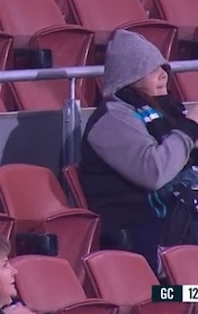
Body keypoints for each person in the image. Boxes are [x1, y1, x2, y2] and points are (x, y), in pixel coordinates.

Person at [79, 29, 198, 274]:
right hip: (148, 236)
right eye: (152, 69)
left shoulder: (166, 111)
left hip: (184, 218)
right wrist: (190, 129)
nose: (162, 75)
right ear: (128, 76)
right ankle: (178, 298)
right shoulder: (111, 120)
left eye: (163, 68)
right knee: (180, 294)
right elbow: (153, 172)